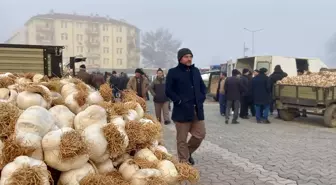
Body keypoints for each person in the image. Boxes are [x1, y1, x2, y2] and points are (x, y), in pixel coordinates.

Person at [165, 48, 206, 165]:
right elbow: (168, 90)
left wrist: (201, 98)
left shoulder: (196, 71)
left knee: (200, 135)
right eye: (186, 57)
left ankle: (187, 153)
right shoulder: (173, 72)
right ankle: (184, 163)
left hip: (197, 110)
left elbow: (202, 87)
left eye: (190, 56)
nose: (189, 59)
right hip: (182, 110)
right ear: (180, 58)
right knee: (181, 139)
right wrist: (178, 101)